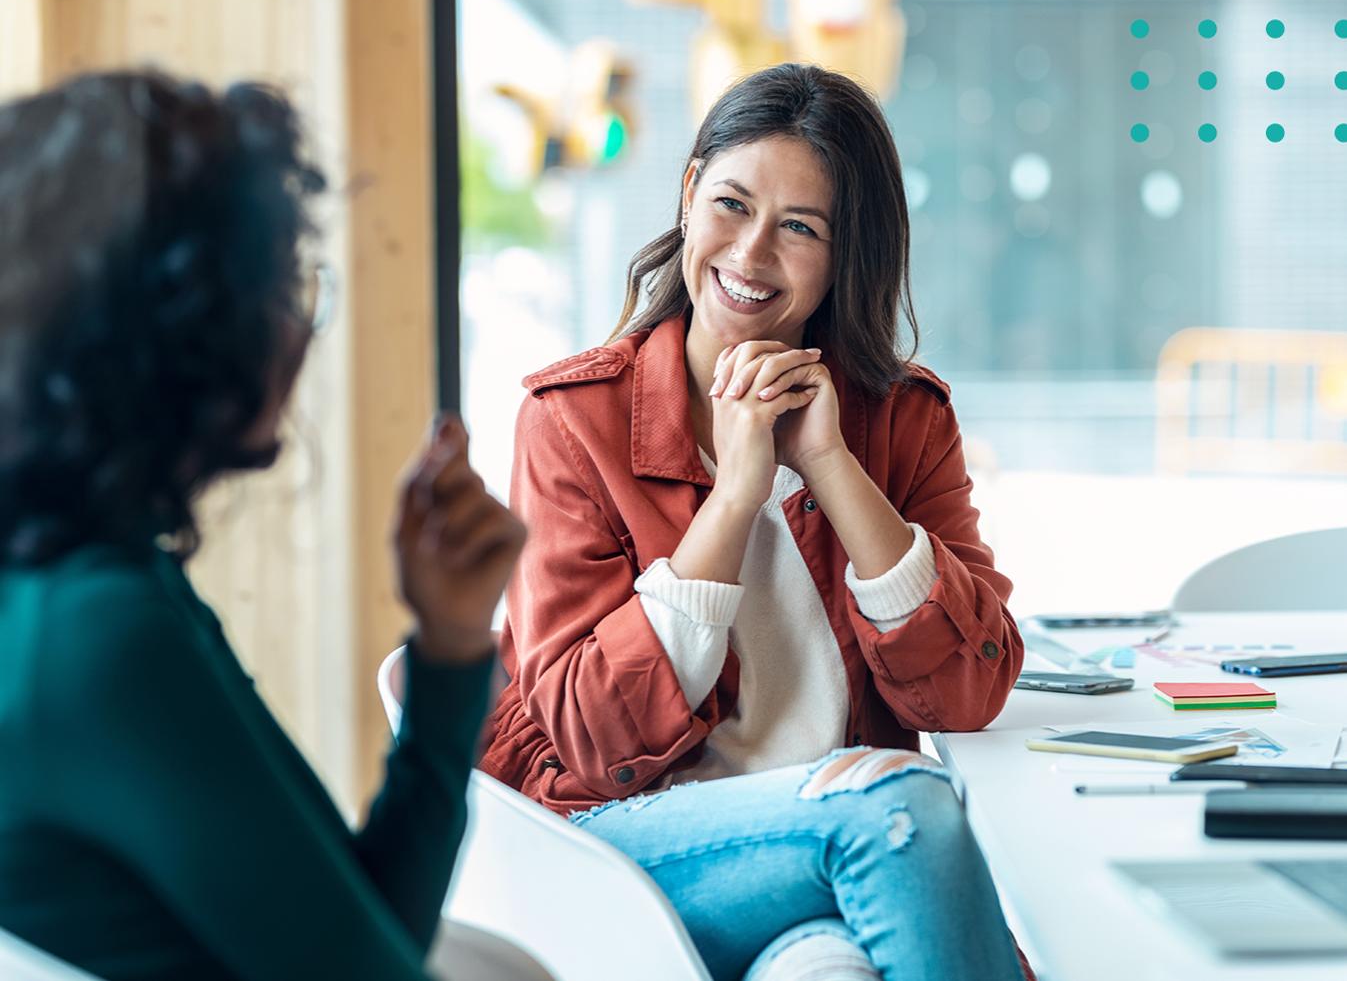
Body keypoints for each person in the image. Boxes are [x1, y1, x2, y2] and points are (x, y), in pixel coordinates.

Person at [480, 63, 1034, 981]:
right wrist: (734, 499)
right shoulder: (572, 420)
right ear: (690, 192)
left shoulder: (902, 421)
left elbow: (965, 697)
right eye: (731, 205)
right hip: (627, 846)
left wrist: (828, 462)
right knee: (906, 811)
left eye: (800, 228)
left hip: (818, 865)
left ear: (845, 253)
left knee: (822, 969)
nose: (750, 254)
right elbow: (589, 737)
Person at [0, 71, 534, 981]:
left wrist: (448, 648)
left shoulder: (74, 579)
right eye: (286, 286)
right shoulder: (101, 634)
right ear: (188, 328)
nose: (301, 328)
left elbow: (367, 931)